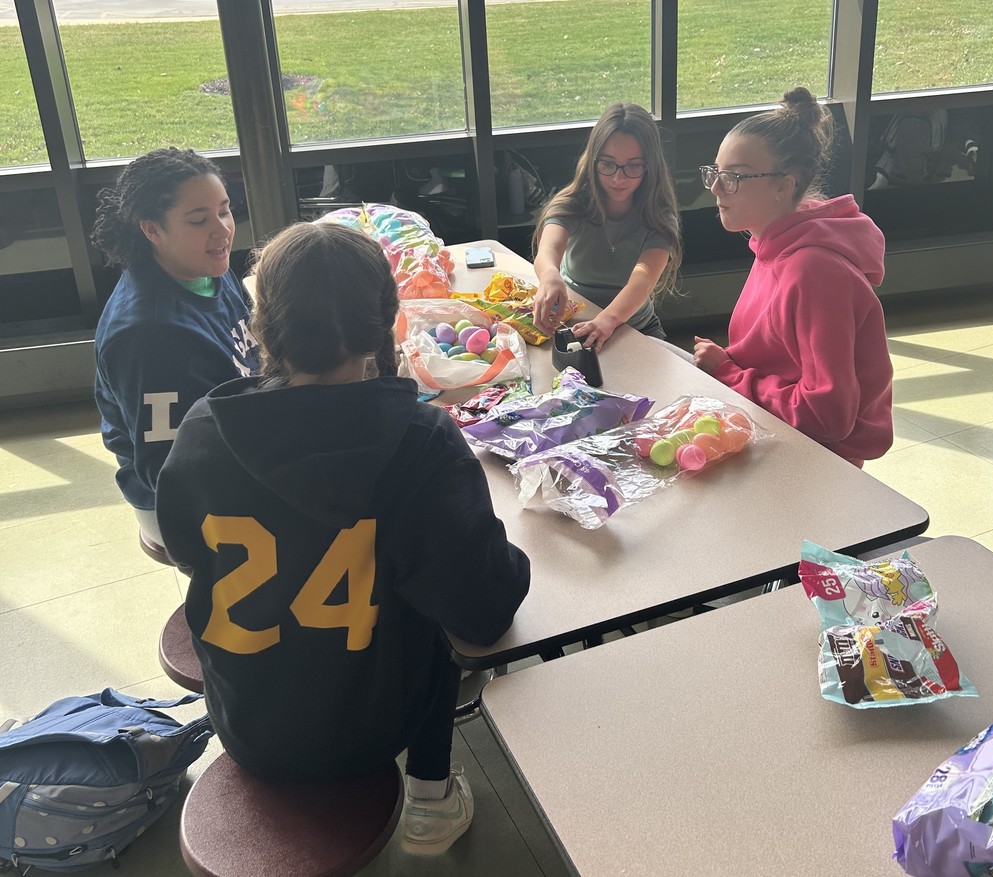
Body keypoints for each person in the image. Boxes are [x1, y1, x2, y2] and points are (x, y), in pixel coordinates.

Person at [155, 221, 530, 856]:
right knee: (436, 619)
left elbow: (189, 553)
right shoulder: (421, 442)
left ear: (263, 326)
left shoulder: (204, 428)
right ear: (389, 323)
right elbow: (486, 609)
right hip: (371, 726)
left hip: (243, 718)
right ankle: (431, 799)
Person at [693, 87, 893, 467]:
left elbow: (829, 415)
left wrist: (730, 373)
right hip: (775, 432)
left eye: (734, 177)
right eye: (716, 173)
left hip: (815, 462)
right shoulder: (773, 244)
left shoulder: (813, 271)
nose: (717, 189)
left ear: (784, 186)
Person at [92, 147, 258, 548]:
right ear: (152, 230)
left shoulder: (205, 267)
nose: (222, 230)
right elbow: (169, 470)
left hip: (241, 441)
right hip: (181, 501)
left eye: (225, 210)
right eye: (199, 220)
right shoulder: (149, 335)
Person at [531, 102, 682, 351]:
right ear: (593, 161)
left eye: (633, 166)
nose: (618, 178)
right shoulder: (572, 203)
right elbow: (548, 250)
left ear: (650, 167)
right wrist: (550, 276)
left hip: (637, 330)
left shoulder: (660, 217)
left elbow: (642, 280)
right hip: (573, 324)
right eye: (607, 164)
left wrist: (607, 321)